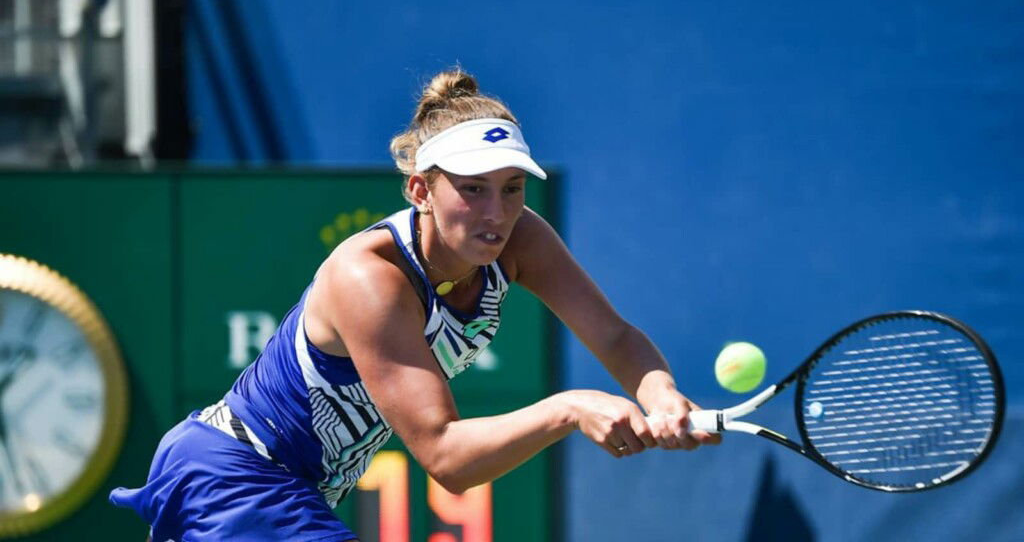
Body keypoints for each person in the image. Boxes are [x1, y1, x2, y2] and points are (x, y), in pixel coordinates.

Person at [110, 69, 720, 541]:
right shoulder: (368, 277)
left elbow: (614, 338)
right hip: (237, 475)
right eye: (472, 190)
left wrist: (659, 392)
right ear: (420, 190)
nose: (497, 212)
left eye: (512, 189)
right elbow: (446, 455)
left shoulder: (523, 237)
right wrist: (570, 407)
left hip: (287, 489)